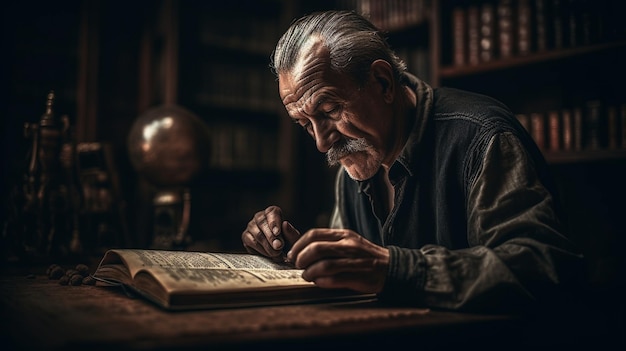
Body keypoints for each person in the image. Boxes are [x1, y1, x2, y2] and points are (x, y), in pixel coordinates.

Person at [241, 10, 584, 313]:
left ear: (382, 82)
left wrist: (396, 270)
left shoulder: (481, 137)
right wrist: (296, 254)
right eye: (304, 124)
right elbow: (356, 273)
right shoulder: (355, 160)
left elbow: (543, 267)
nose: (320, 142)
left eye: (330, 110)